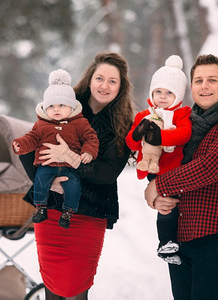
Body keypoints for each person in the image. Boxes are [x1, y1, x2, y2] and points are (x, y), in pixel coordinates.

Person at [144, 54, 218, 299]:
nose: (204, 86)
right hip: (179, 236)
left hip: (216, 237)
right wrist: (158, 196)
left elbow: (207, 169)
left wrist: (158, 186)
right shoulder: (186, 127)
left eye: (212, 80)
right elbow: (170, 165)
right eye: (198, 81)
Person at [19, 51, 134, 299]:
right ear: (90, 79)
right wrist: (47, 183)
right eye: (100, 78)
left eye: (112, 81)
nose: (104, 85)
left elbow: (107, 173)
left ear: (120, 87)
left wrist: (73, 160)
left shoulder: (123, 124)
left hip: (90, 216)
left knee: (76, 288)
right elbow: (28, 149)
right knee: (51, 284)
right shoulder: (62, 105)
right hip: (51, 213)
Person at [125, 55, 192, 265]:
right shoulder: (143, 116)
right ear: (151, 92)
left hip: (173, 170)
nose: (163, 97)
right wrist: (138, 134)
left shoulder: (183, 114)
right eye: (158, 92)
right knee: (166, 205)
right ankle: (166, 242)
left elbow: (184, 134)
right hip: (153, 169)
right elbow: (131, 144)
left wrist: (160, 136)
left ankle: (168, 242)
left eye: (169, 93)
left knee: (169, 205)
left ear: (178, 95)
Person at [12, 69, 99, 229]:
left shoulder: (80, 123)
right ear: (45, 108)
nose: (56, 109)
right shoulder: (41, 125)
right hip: (46, 164)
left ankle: (68, 212)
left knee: (73, 185)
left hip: (69, 166)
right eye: (51, 106)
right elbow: (31, 139)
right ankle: (40, 207)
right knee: (40, 181)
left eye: (61, 105)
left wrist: (88, 151)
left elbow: (90, 138)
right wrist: (20, 144)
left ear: (72, 107)